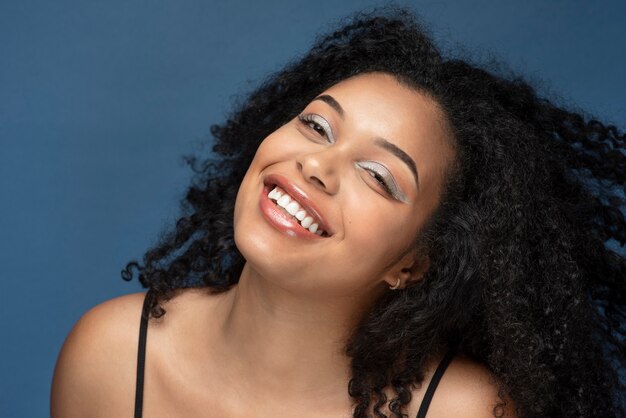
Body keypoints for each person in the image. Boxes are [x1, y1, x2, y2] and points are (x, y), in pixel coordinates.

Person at [50, 7, 626, 418]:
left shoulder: (468, 411)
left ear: (415, 263)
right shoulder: (112, 354)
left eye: (378, 176)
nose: (318, 166)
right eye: (317, 126)